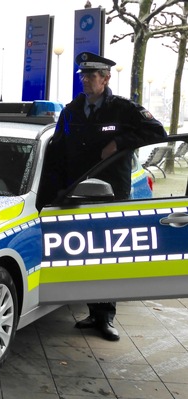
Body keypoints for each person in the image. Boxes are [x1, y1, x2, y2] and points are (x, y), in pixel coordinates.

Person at [45, 51, 167, 341]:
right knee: (86, 254)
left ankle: (107, 317)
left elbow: (158, 132)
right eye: (83, 76)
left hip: (112, 193)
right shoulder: (71, 111)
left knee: (108, 255)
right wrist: (57, 190)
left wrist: (119, 142)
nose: (86, 80)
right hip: (78, 193)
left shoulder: (123, 110)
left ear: (106, 78)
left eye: (92, 76)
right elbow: (57, 152)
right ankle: (92, 312)